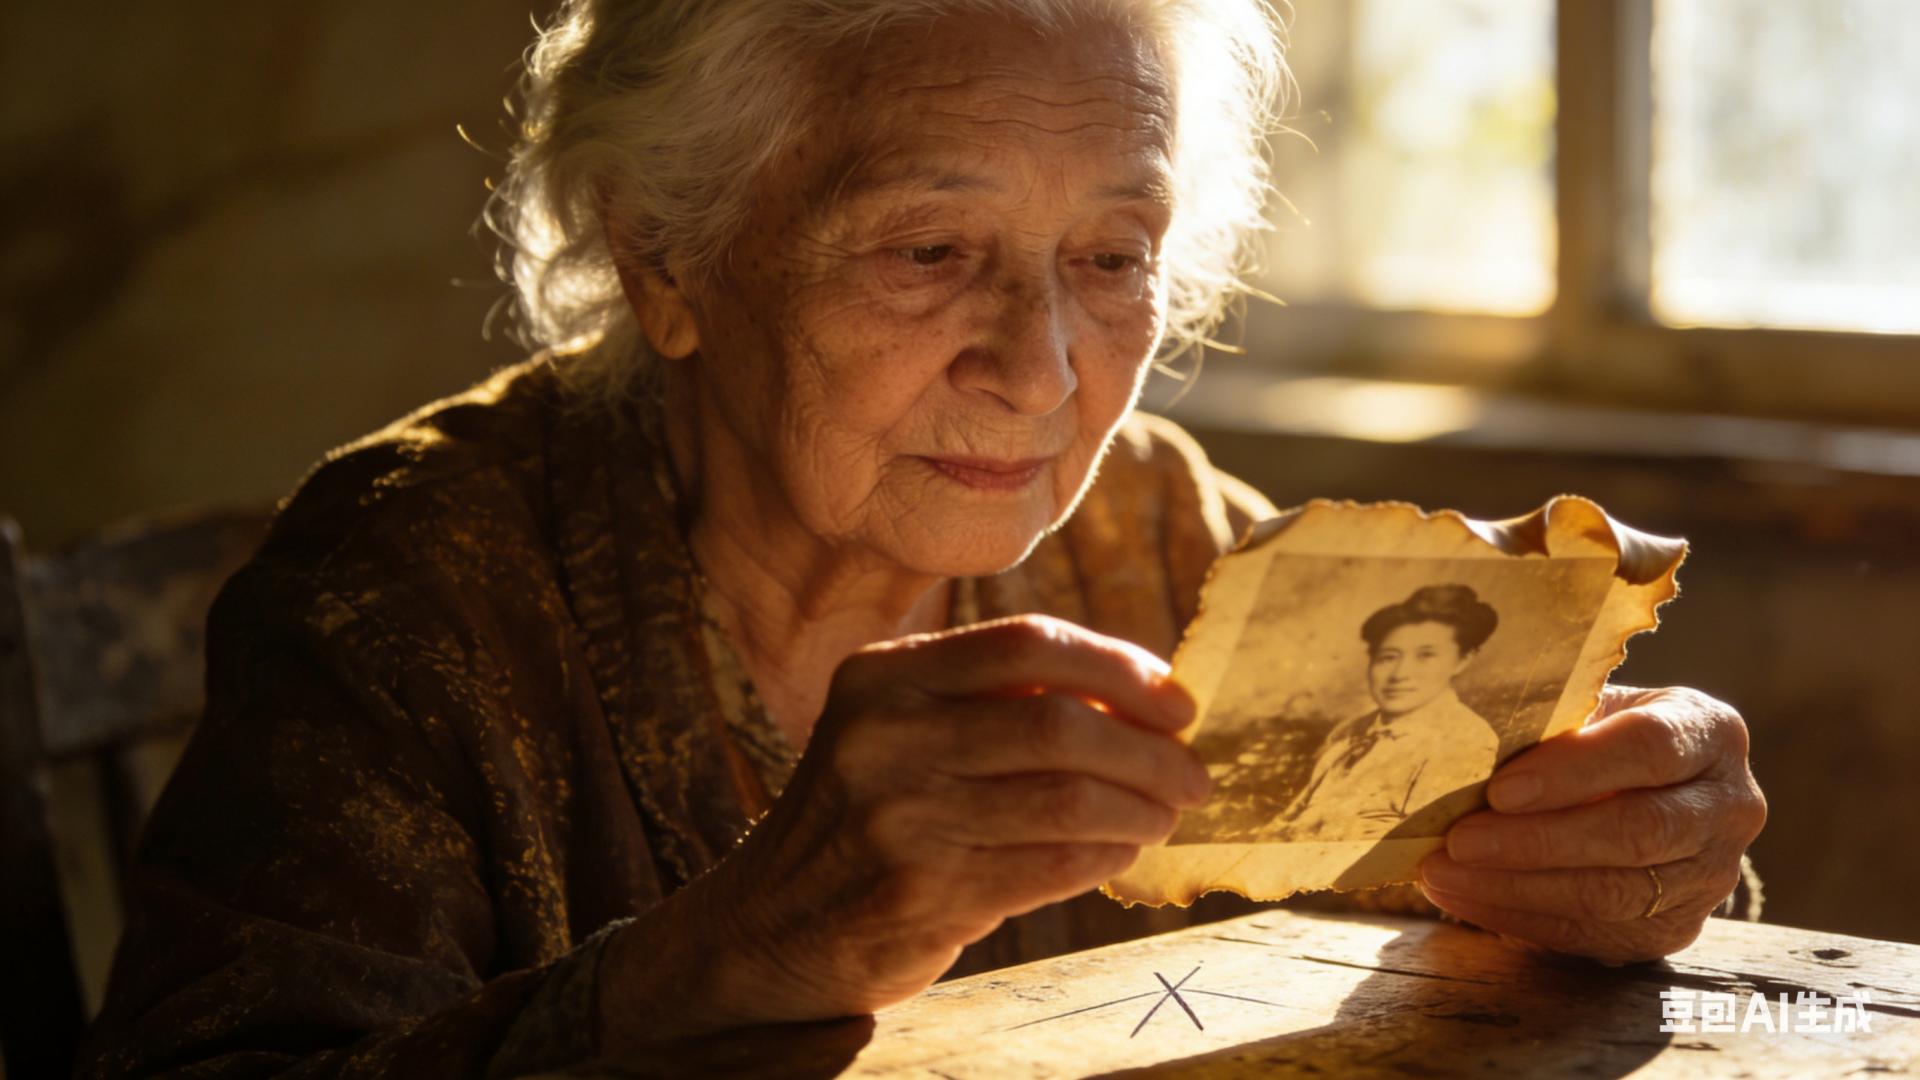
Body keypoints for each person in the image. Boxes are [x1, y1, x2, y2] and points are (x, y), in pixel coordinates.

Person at [77, 1, 1768, 1076]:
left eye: (1113, 257)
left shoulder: (1151, 520)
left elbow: (1463, 923)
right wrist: (719, 964)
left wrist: (1629, 852)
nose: (1041, 372)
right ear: (662, 257)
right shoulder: (398, 590)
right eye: (927, 253)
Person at [1271, 584, 1502, 842]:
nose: (1400, 674)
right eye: (1388, 657)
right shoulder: (1348, 733)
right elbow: (1292, 819)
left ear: (1463, 660)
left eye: (1426, 656)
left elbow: (1420, 849)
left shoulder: (1465, 741)